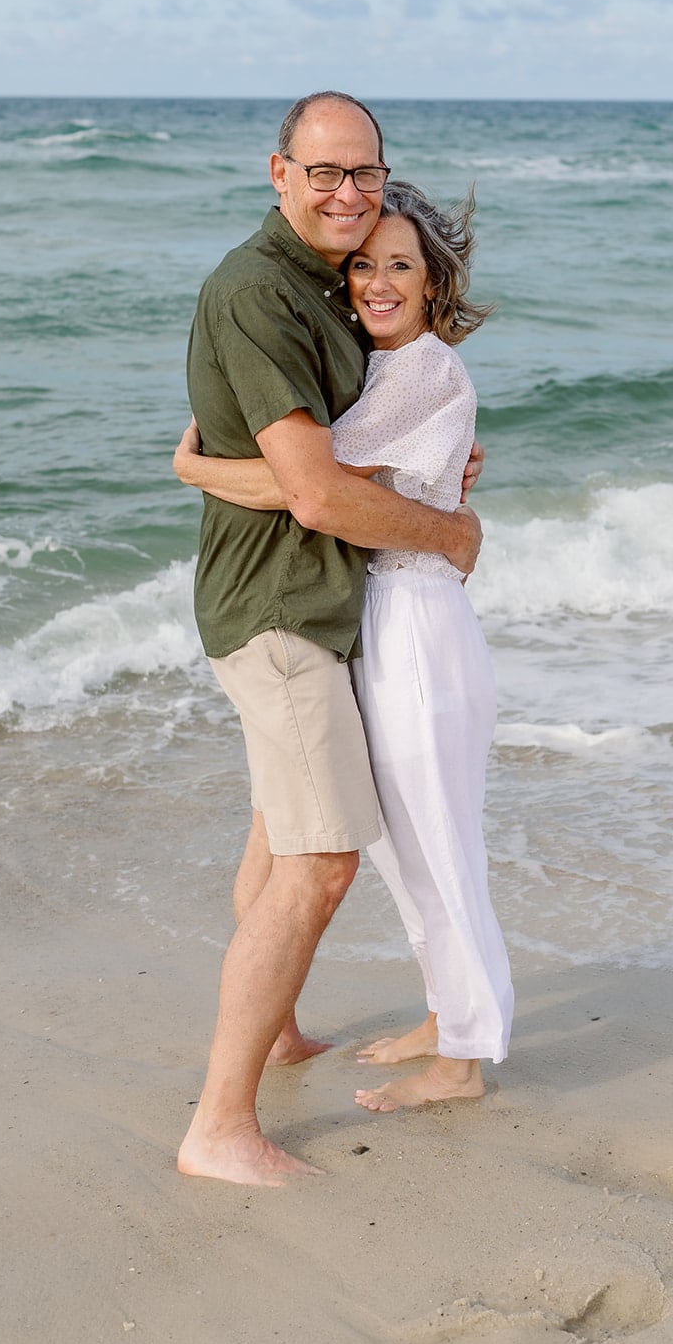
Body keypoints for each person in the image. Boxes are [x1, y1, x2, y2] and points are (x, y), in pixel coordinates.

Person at [175, 93, 484, 1188]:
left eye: (363, 173)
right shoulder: (258, 290)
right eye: (323, 173)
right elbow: (314, 494)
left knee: (274, 834)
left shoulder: (329, 281)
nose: (345, 193)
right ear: (278, 171)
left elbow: (348, 443)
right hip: (279, 610)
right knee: (320, 859)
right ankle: (219, 1125)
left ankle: (283, 1025)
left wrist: (425, 467)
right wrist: (447, 530)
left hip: (311, 605)